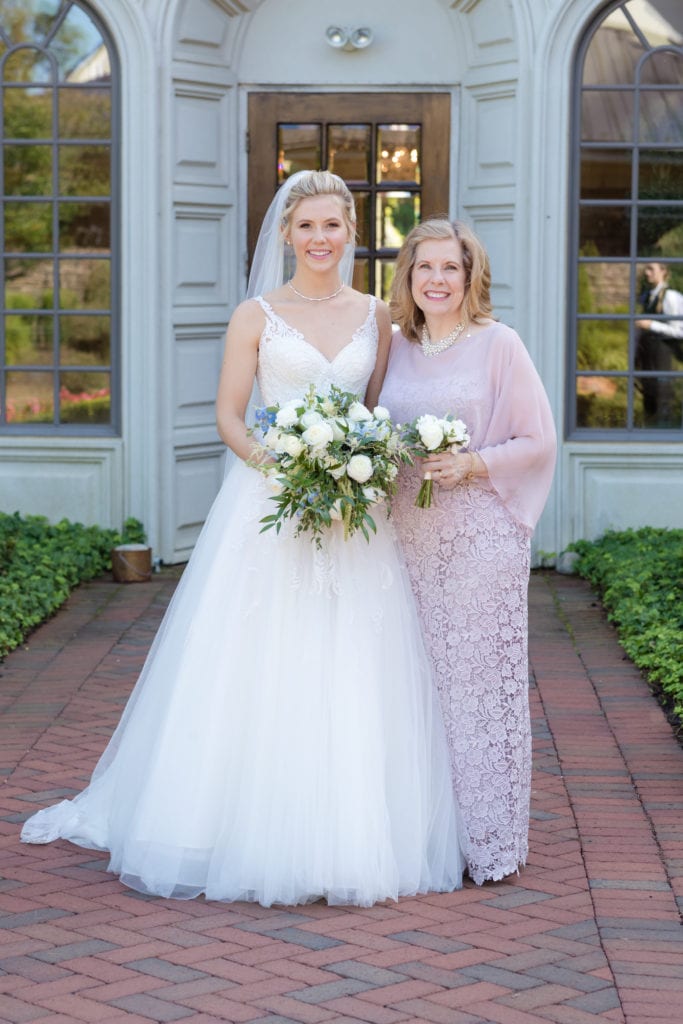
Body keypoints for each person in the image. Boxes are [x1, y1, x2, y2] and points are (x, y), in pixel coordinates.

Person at [21, 172, 466, 907]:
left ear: (351, 231)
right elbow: (230, 417)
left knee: (353, 657)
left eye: (332, 225)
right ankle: (225, 822)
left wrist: (354, 472)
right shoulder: (254, 315)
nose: (320, 239)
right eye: (306, 226)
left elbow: (377, 412)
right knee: (254, 658)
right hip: (271, 507)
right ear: (286, 234)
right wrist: (287, 473)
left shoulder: (377, 318)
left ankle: (350, 830)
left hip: (352, 518)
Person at [378, 217, 556, 884]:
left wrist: (472, 465)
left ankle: (486, 838)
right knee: (410, 687)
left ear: (470, 275)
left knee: (477, 689)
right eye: (424, 267)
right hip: (404, 541)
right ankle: (425, 835)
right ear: (408, 277)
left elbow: (536, 442)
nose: (436, 280)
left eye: (449, 267)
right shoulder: (391, 347)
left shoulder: (498, 344)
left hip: (478, 543)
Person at [634, 262, 683, 427]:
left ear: (664, 271)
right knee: (649, 403)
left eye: (651, 269)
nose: (647, 273)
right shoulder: (647, 296)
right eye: (646, 268)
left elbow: (680, 331)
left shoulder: (671, 297)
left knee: (663, 404)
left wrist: (651, 325)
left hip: (663, 361)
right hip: (647, 361)